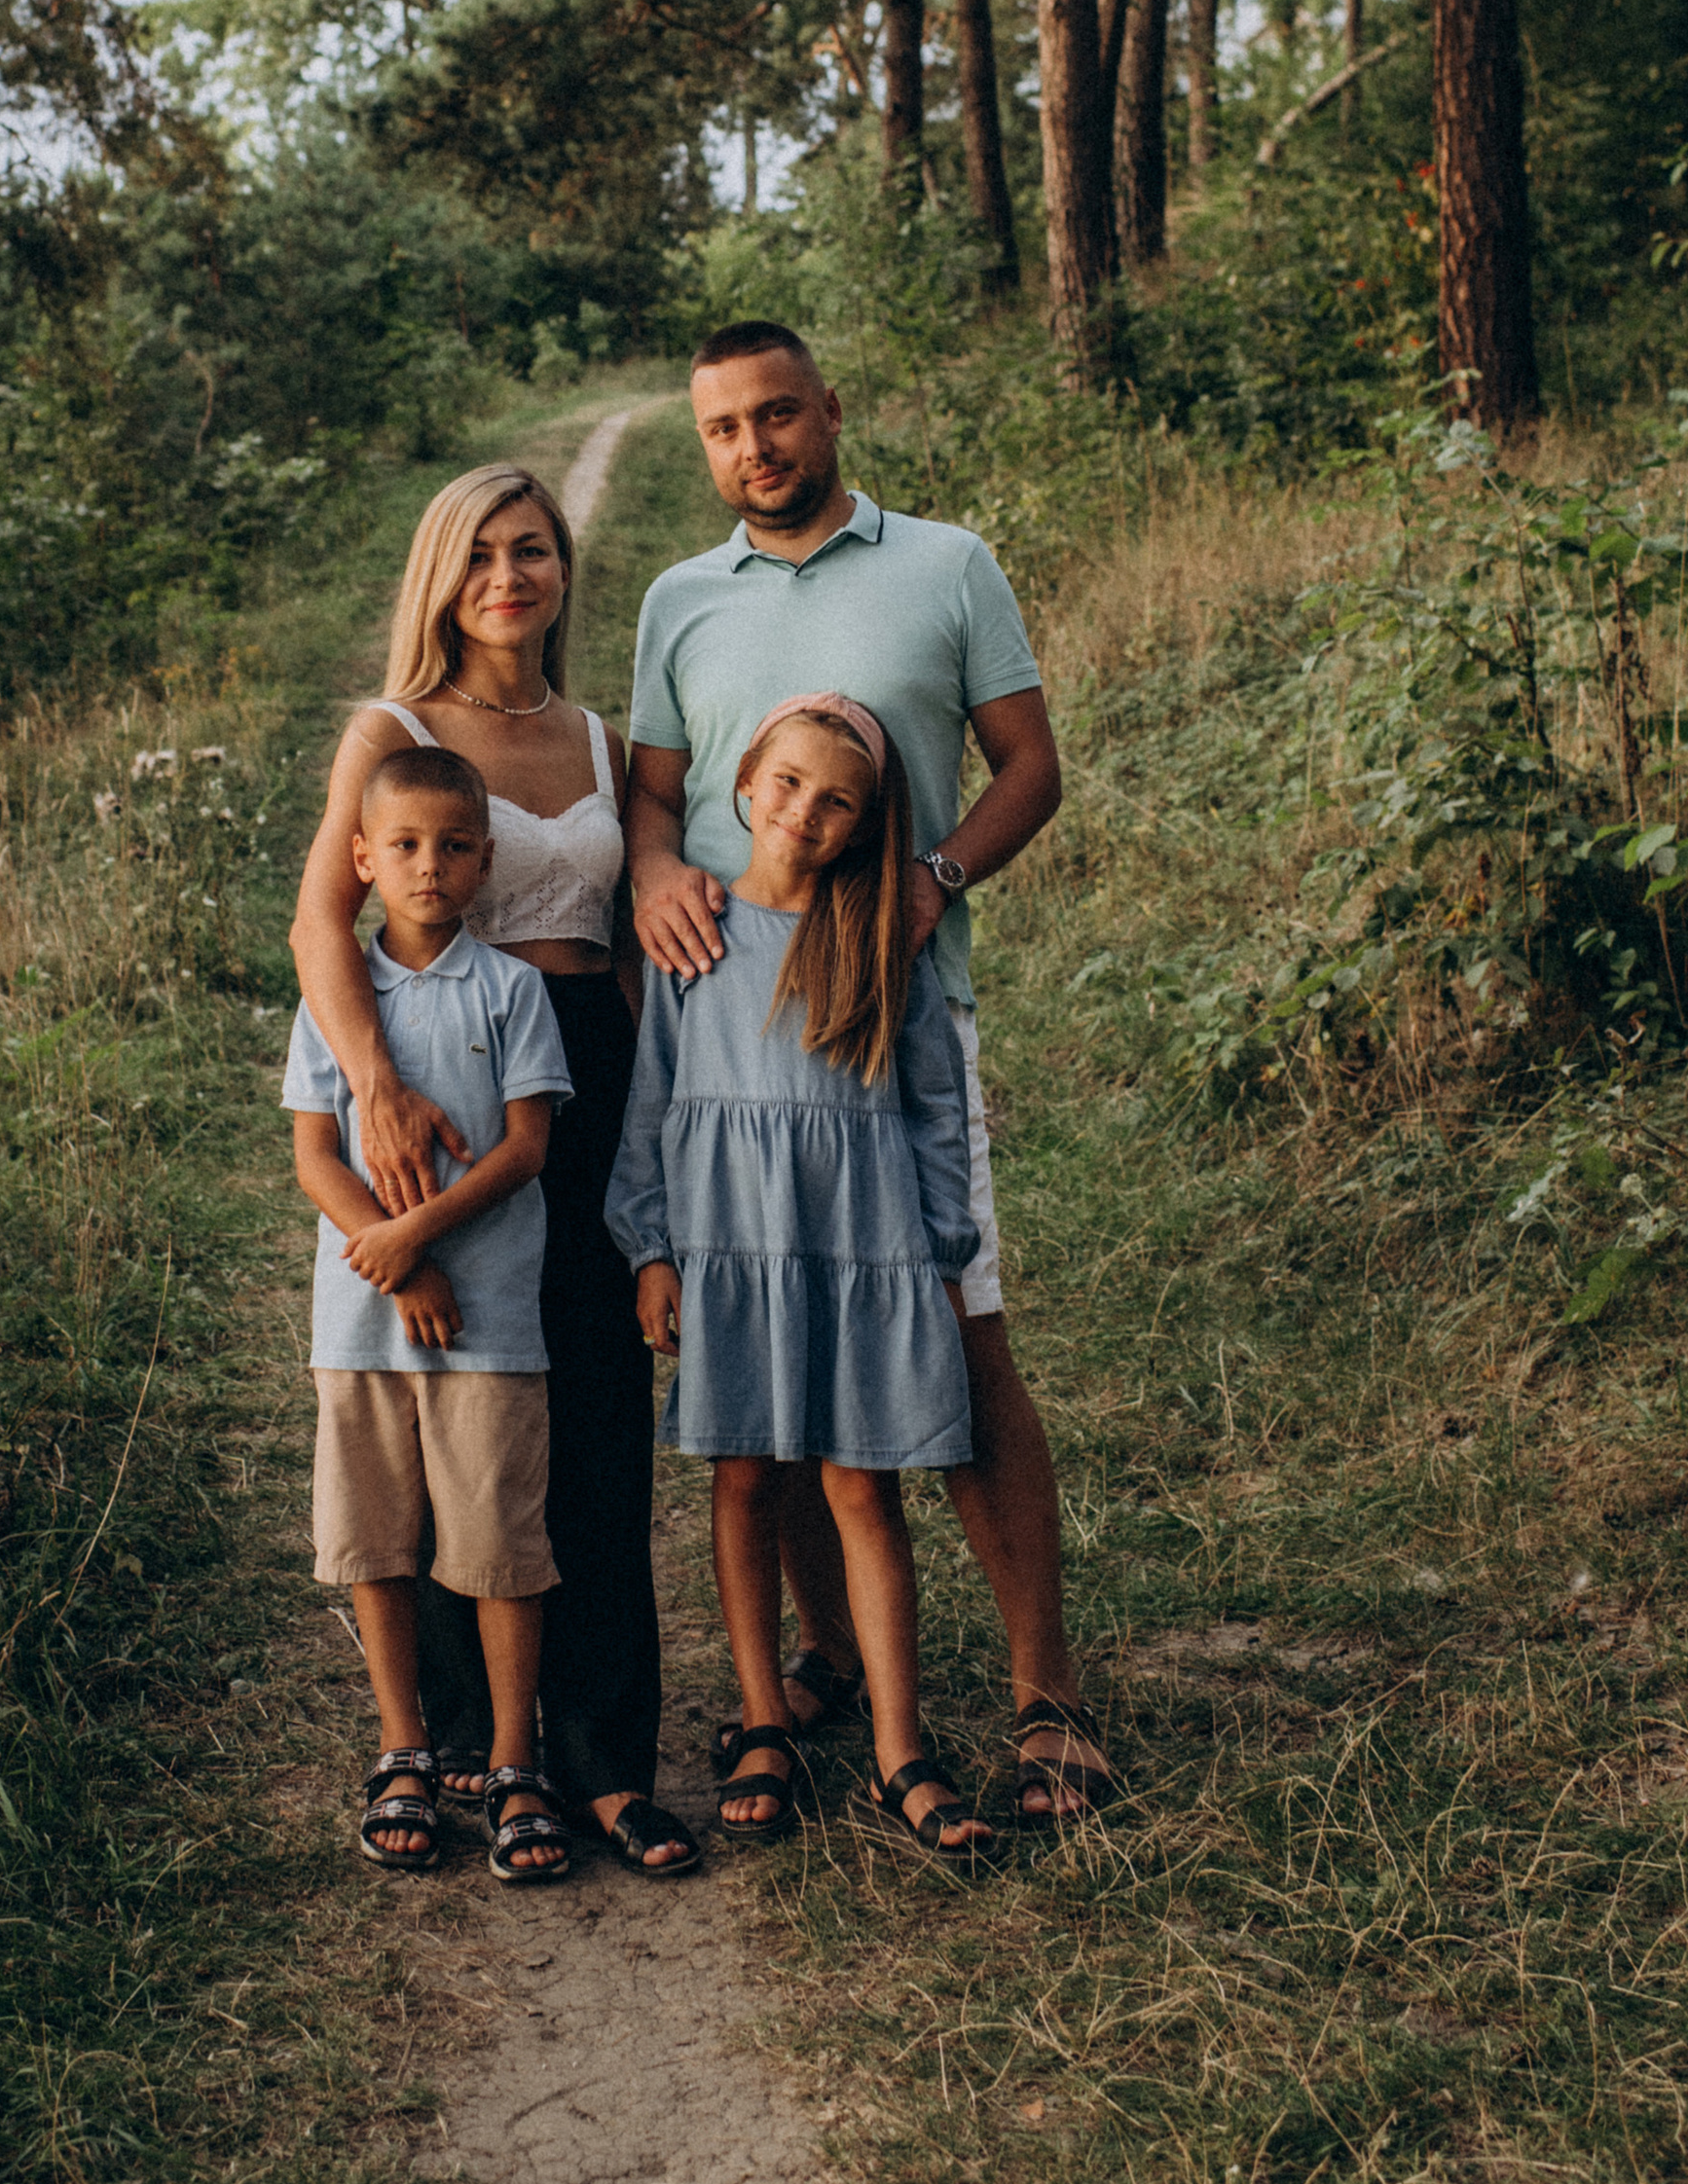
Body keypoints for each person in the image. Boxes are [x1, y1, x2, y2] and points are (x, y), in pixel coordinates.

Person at [626, 320, 1116, 1829]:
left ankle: (1048, 1696)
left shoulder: (947, 564)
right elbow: (654, 793)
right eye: (723, 428)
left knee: (960, 1334)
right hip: (723, 1034)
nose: (754, 445)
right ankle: (820, 1665)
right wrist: (653, 870)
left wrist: (940, 875)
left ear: (829, 411)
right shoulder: (679, 600)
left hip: (894, 1023)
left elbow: (1030, 761)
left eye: (777, 413)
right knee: (764, 1350)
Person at [289, 463, 699, 1879]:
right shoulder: (394, 729)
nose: (507, 577)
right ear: (440, 578)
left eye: (530, 550)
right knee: (446, 1400)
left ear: (563, 567)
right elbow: (320, 921)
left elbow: (642, 926)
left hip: (578, 1072)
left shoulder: (599, 737)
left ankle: (599, 1760)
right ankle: (463, 1742)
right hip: (439, 1083)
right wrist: (375, 1084)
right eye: (479, 556)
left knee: (588, 1414)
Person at [608, 695, 993, 1865]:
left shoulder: (880, 939)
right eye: (787, 786)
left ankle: (897, 1748)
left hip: (859, 1244)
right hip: (733, 1242)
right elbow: (653, 1106)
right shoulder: (695, 931)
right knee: (744, 1482)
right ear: (743, 786)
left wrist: (938, 1253)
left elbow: (935, 1109)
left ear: (867, 821)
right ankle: (764, 1720)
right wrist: (653, 1246)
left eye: (837, 801)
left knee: (863, 1491)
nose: (805, 814)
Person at [285, 738, 574, 1885]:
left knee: (499, 1542)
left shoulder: (512, 990)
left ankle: (513, 1757)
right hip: (361, 1326)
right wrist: (397, 1263)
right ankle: (401, 1743)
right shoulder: (333, 996)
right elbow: (316, 1157)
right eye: (403, 845)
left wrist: (424, 1233)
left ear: (486, 860)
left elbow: (527, 1147)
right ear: (361, 858)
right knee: (378, 1539)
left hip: (492, 1321)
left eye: (454, 847)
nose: (428, 867)